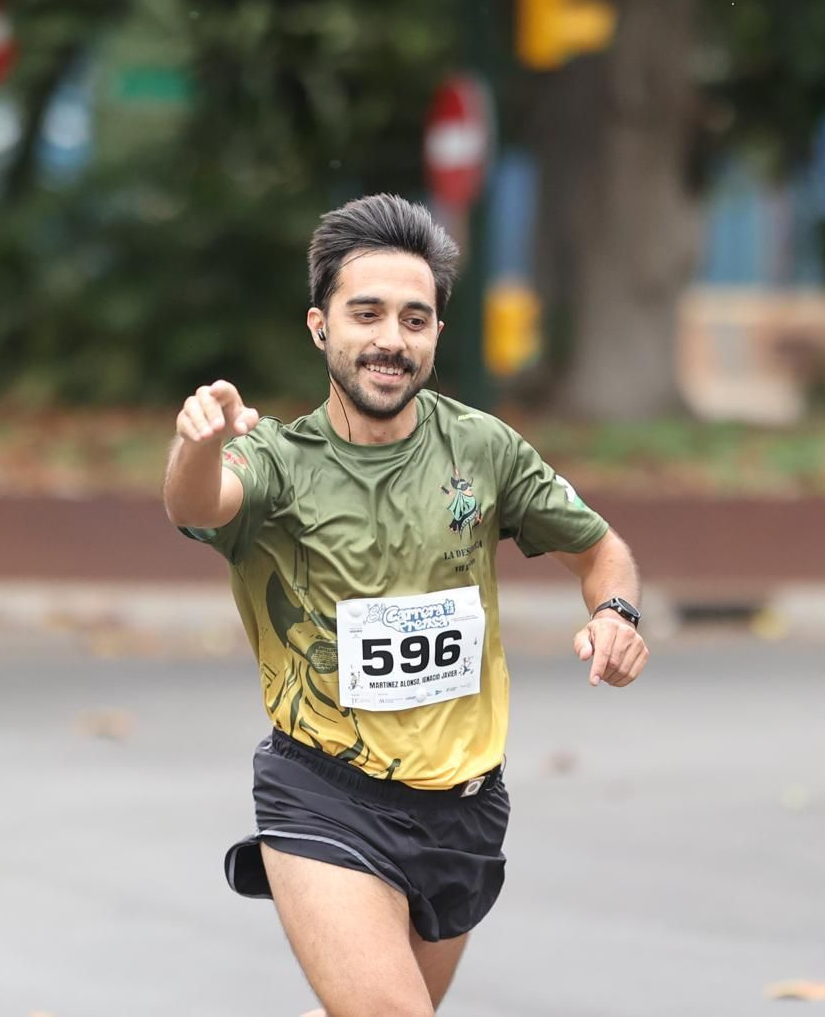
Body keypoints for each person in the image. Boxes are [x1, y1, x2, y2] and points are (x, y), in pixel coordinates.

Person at [163, 193, 649, 1017]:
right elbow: (198, 504)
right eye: (367, 313)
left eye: (414, 319)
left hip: (464, 804)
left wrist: (617, 616)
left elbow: (602, 551)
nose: (391, 338)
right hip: (324, 790)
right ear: (321, 327)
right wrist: (196, 445)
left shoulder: (482, 449)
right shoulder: (278, 459)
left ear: (436, 337)